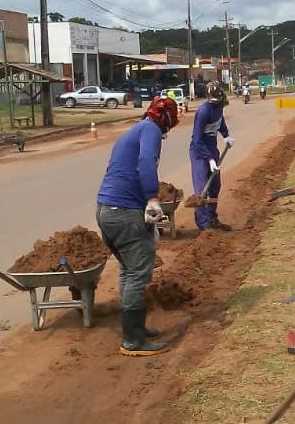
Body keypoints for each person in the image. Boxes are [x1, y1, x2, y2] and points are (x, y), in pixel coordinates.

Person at [97, 97, 181, 356]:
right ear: (166, 118)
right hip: (123, 212)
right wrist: (152, 198)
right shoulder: (151, 130)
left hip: (107, 210)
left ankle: (136, 329)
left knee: (128, 270)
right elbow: (146, 163)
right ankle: (132, 341)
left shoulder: (136, 130)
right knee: (137, 274)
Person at [189, 82, 234, 231]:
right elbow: (197, 139)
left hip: (212, 149)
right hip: (199, 153)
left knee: (215, 186)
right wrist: (208, 159)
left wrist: (226, 136)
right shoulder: (203, 111)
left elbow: (220, 123)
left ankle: (212, 217)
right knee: (202, 188)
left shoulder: (219, 107)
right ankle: (204, 225)